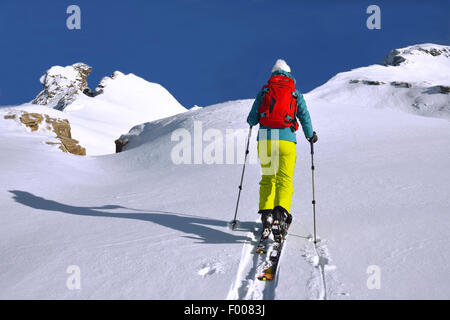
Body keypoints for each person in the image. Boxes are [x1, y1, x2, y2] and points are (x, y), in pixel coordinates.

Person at [247, 59, 318, 241]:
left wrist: (254, 121)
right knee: (284, 178)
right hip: (286, 141)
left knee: (268, 177)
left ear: (273, 73)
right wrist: (310, 135)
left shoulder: (264, 91)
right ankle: (280, 215)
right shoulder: (294, 93)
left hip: (265, 141)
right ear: (288, 73)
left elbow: (252, 119)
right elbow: (304, 116)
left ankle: (266, 216)